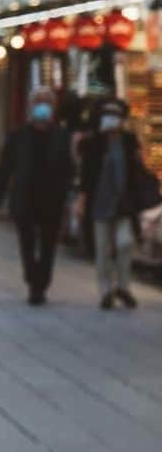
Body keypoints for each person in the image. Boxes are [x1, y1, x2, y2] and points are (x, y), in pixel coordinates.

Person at [0, 86, 73, 306]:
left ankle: (41, 284)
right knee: (27, 243)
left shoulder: (61, 135)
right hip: (25, 197)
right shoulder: (19, 135)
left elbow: (68, 168)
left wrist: (69, 198)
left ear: (54, 107)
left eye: (47, 102)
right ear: (31, 106)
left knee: (48, 245)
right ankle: (32, 279)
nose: (43, 106)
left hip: (52, 199)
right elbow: (5, 166)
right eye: (39, 101)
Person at [76, 98, 148, 310]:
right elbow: (86, 173)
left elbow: (137, 170)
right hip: (100, 203)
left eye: (115, 115)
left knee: (125, 243)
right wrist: (82, 199)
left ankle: (124, 287)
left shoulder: (128, 141)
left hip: (124, 204)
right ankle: (106, 290)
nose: (112, 119)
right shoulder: (93, 142)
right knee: (103, 248)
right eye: (108, 115)